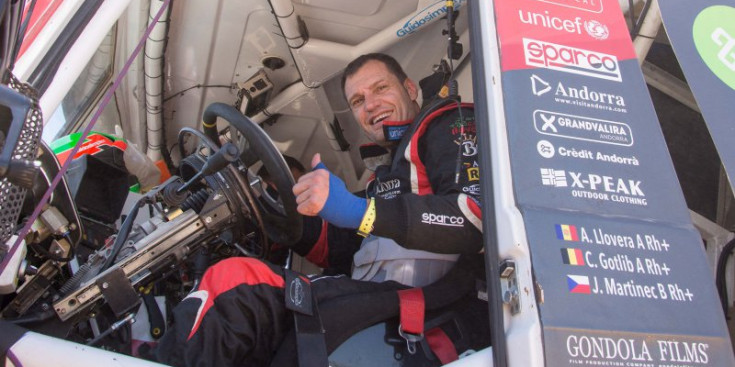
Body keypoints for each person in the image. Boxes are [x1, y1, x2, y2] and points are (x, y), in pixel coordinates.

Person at [153, 53, 486, 367]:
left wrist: (361, 212)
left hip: (422, 305)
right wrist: (271, 210)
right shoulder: (384, 177)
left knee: (235, 285)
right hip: (371, 302)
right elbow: (344, 248)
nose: (370, 105)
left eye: (381, 88)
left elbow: (472, 218)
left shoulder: (447, 123)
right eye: (358, 101)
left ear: (410, 88)